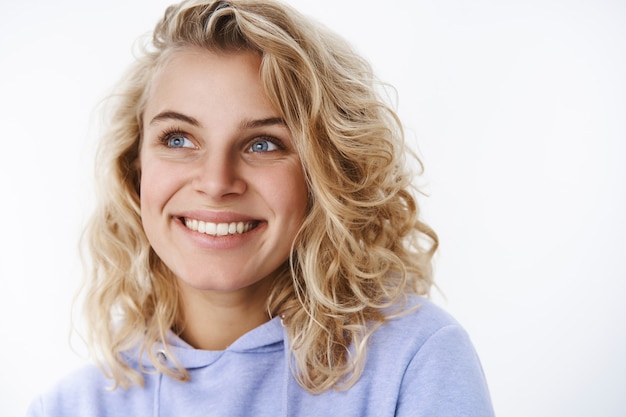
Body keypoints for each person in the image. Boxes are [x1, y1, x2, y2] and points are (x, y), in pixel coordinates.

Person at [28, 0, 494, 415]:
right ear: (135, 169)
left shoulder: (416, 362)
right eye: (178, 138)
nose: (215, 182)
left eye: (264, 143)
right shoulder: (70, 407)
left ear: (326, 173)